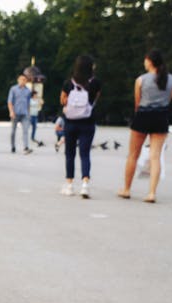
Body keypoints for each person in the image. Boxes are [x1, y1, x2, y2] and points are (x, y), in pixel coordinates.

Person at [120, 49, 172, 203]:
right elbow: (169, 99)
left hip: (143, 116)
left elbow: (137, 102)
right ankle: (151, 192)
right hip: (161, 117)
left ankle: (126, 189)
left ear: (150, 61)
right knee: (155, 156)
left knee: (133, 154)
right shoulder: (171, 80)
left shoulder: (141, 80)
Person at [59, 55, 102, 198]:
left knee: (70, 154)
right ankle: (85, 184)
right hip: (88, 122)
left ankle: (70, 185)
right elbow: (96, 99)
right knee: (85, 154)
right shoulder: (95, 83)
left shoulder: (68, 83)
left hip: (71, 122)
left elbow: (63, 100)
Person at [7, 74, 33, 154]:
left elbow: (28, 103)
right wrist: (11, 111)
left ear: (26, 81)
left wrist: (29, 113)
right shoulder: (13, 89)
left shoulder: (28, 91)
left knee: (25, 131)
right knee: (13, 131)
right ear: (18, 80)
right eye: (21, 79)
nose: (22, 81)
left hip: (25, 114)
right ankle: (13, 146)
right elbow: (10, 101)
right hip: (15, 113)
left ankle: (26, 147)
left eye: (24, 80)